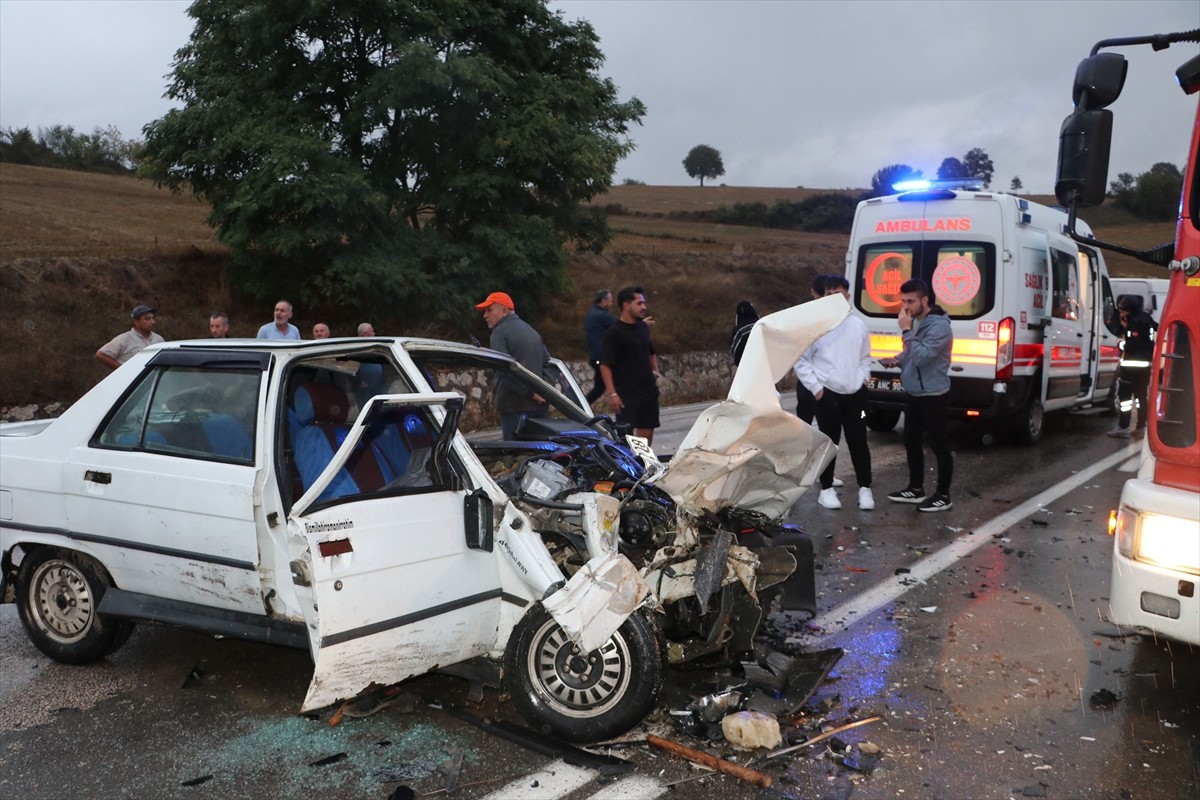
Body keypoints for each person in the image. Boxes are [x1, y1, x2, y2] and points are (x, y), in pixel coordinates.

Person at [795, 276, 874, 510]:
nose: (833, 298)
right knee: (829, 441)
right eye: (828, 294)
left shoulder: (858, 325)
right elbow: (801, 361)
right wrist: (818, 391)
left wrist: (864, 381)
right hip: (827, 395)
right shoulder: (816, 327)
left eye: (838, 293)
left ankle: (865, 488)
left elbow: (865, 357)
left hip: (856, 396)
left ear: (847, 296)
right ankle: (826, 489)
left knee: (859, 439)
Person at [879, 278, 954, 512]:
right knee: (911, 441)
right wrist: (897, 360)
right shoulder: (916, 322)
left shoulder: (940, 326)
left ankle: (943, 495)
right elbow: (911, 353)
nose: (906, 306)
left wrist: (906, 331)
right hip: (914, 391)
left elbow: (922, 356)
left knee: (939, 445)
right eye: (903, 301)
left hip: (934, 393)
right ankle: (916, 488)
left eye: (911, 301)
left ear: (925, 300)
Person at [475, 291, 552, 440]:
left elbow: (503, 368)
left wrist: (531, 393)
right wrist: (543, 391)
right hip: (539, 407)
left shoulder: (500, 333)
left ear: (504, 311)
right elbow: (547, 363)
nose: (485, 315)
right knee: (538, 457)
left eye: (489, 310)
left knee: (514, 457)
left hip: (514, 407)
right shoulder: (532, 331)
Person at [600, 285, 660, 445]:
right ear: (626, 306)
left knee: (647, 433)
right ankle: (629, 467)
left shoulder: (643, 328)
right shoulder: (614, 333)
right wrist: (613, 394)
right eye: (639, 303)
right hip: (627, 394)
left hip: (648, 391)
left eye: (643, 303)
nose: (644, 307)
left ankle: (644, 466)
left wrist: (655, 370)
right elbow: (605, 365)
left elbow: (650, 351)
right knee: (626, 438)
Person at [1109, 295, 1156, 439]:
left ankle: (1123, 427)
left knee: (1125, 397)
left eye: (1123, 311)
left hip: (1131, 366)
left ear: (1129, 310)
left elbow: (1135, 343)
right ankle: (1141, 426)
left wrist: (1121, 344)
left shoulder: (1135, 322)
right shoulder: (1146, 319)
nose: (1121, 314)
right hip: (1145, 366)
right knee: (1141, 397)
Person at [795, 274, 829, 424]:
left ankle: (804, 448)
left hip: (806, 379)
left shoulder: (804, 317)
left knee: (804, 423)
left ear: (813, 292)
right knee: (828, 425)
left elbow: (798, 354)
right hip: (829, 379)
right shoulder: (838, 316)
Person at [96, 304, 165, 370]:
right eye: (147, 319)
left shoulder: (159, 339)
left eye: (153, 318)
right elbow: (101, 354)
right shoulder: (124, 339)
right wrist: (123, 370)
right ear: (136, 322)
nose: (152, 322)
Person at [584, 290, 616, 403]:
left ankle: (581, 406)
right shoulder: (602, 315)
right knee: (616, 383)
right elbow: (621, 325)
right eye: (610, 301)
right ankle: (581, 406)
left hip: (595, 356)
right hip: (603, 357)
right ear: (603, 301)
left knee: (599, 387)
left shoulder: (591, 314)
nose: (611, 304)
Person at [730, 300, 759, 366]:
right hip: (766, 364)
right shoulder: (761, 324)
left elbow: (736, 351)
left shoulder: (739, 330)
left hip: (749, 366)